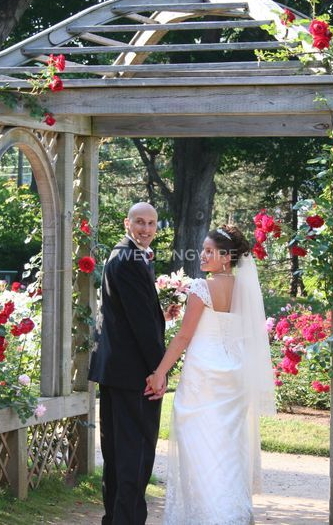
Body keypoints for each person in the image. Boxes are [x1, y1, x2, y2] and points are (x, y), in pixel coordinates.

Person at [147, 225, 276, 525]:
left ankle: (209, 516)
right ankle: (232, 514)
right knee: (228, 450)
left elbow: (183, 338)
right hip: (234, 377)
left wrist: (159, 373)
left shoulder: (202, 288)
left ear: (227, 258)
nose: (202, 256)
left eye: (209, 251)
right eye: (203, 250)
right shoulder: (245, 290)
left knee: (199, 450)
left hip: (203, 377)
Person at [88, 202, 178, 525]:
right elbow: (140, 325)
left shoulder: (126, 254)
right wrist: (160, 370)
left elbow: (129, 313)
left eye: (151, 223)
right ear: (127, 223)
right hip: (134, 376)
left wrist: (160, 314)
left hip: (116, 371)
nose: (146, 229)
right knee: (134, 459)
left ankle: (114, 519)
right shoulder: (128, 259)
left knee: (117, 456)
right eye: (139, 222)